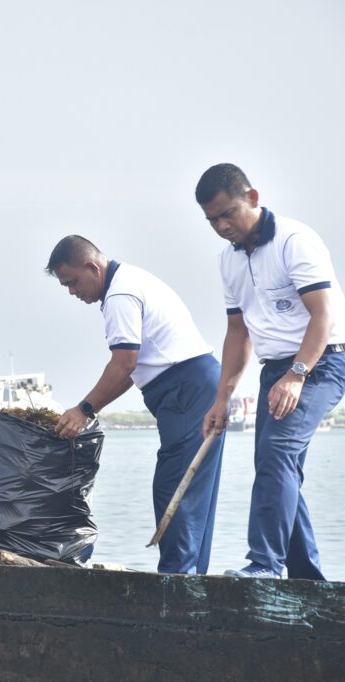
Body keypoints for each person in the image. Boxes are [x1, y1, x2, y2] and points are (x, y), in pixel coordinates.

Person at [197, 163, 345, 580]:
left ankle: (265, 564)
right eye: (212, 219)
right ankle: (306, 578)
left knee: (277, 455)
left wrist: (298, 373)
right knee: (277, 463)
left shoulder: (294, 241)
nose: (221, 225)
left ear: (253, 197)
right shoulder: (227, 261)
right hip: (274, 369)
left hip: (319, 363)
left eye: (228, 213)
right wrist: (222, 399)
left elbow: (323, 315)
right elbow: (236, 332)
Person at [47, 235, 225, 574]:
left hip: (187, 387)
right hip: (196, 383)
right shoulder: (129, 280)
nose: (72, 291)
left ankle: (177, 581)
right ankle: (191, 579)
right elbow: (130, 367)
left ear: (92, 267)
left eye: (73, 282)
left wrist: (84, 409)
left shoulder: (120, 294)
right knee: (193, 489)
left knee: (175, 488)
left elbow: (124, 364)